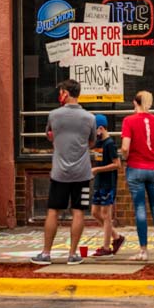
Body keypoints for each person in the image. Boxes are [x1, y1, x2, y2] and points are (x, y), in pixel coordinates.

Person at [32, 79, 96, 266]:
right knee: (79, 211)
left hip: (59, 172)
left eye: (60, 92)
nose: (59, 95)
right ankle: (73, 254)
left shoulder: (54, 115)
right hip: (82, 173)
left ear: (65, 93)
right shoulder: (90, 118)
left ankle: (46, 253)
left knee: (53, 211)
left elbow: (49, 135)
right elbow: (92, 142)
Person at [121, 90, 154, 262]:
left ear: (135, 103)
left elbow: (125, 146)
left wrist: (125, 157)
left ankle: (143, 251)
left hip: (135, 167)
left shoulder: (128, 121)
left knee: (140, 209)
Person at [90, 114, 125, 257]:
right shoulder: (97, 144)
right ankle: (116, 237)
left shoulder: (110, 144)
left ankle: (106, 247)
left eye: (93, 130)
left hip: (108, 183)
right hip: (99, 182)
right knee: (95, 212)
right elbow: (98, 160)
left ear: (100, 128)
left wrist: (98, 169)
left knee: (106, 215)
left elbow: (117, 164)